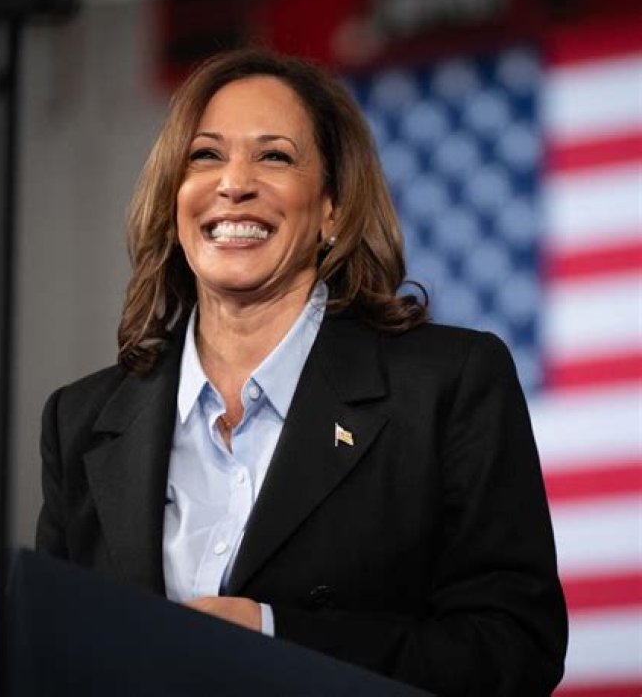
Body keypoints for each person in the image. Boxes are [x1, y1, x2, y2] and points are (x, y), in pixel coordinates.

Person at [36, 48, 567, 696]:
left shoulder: (448, 384)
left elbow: (515, 649)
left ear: (332, 208)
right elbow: (49, 654)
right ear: (173, 197)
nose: (234, 183)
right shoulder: (82, 421)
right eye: (205, 155)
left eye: (275, 157)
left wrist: (272, 636)